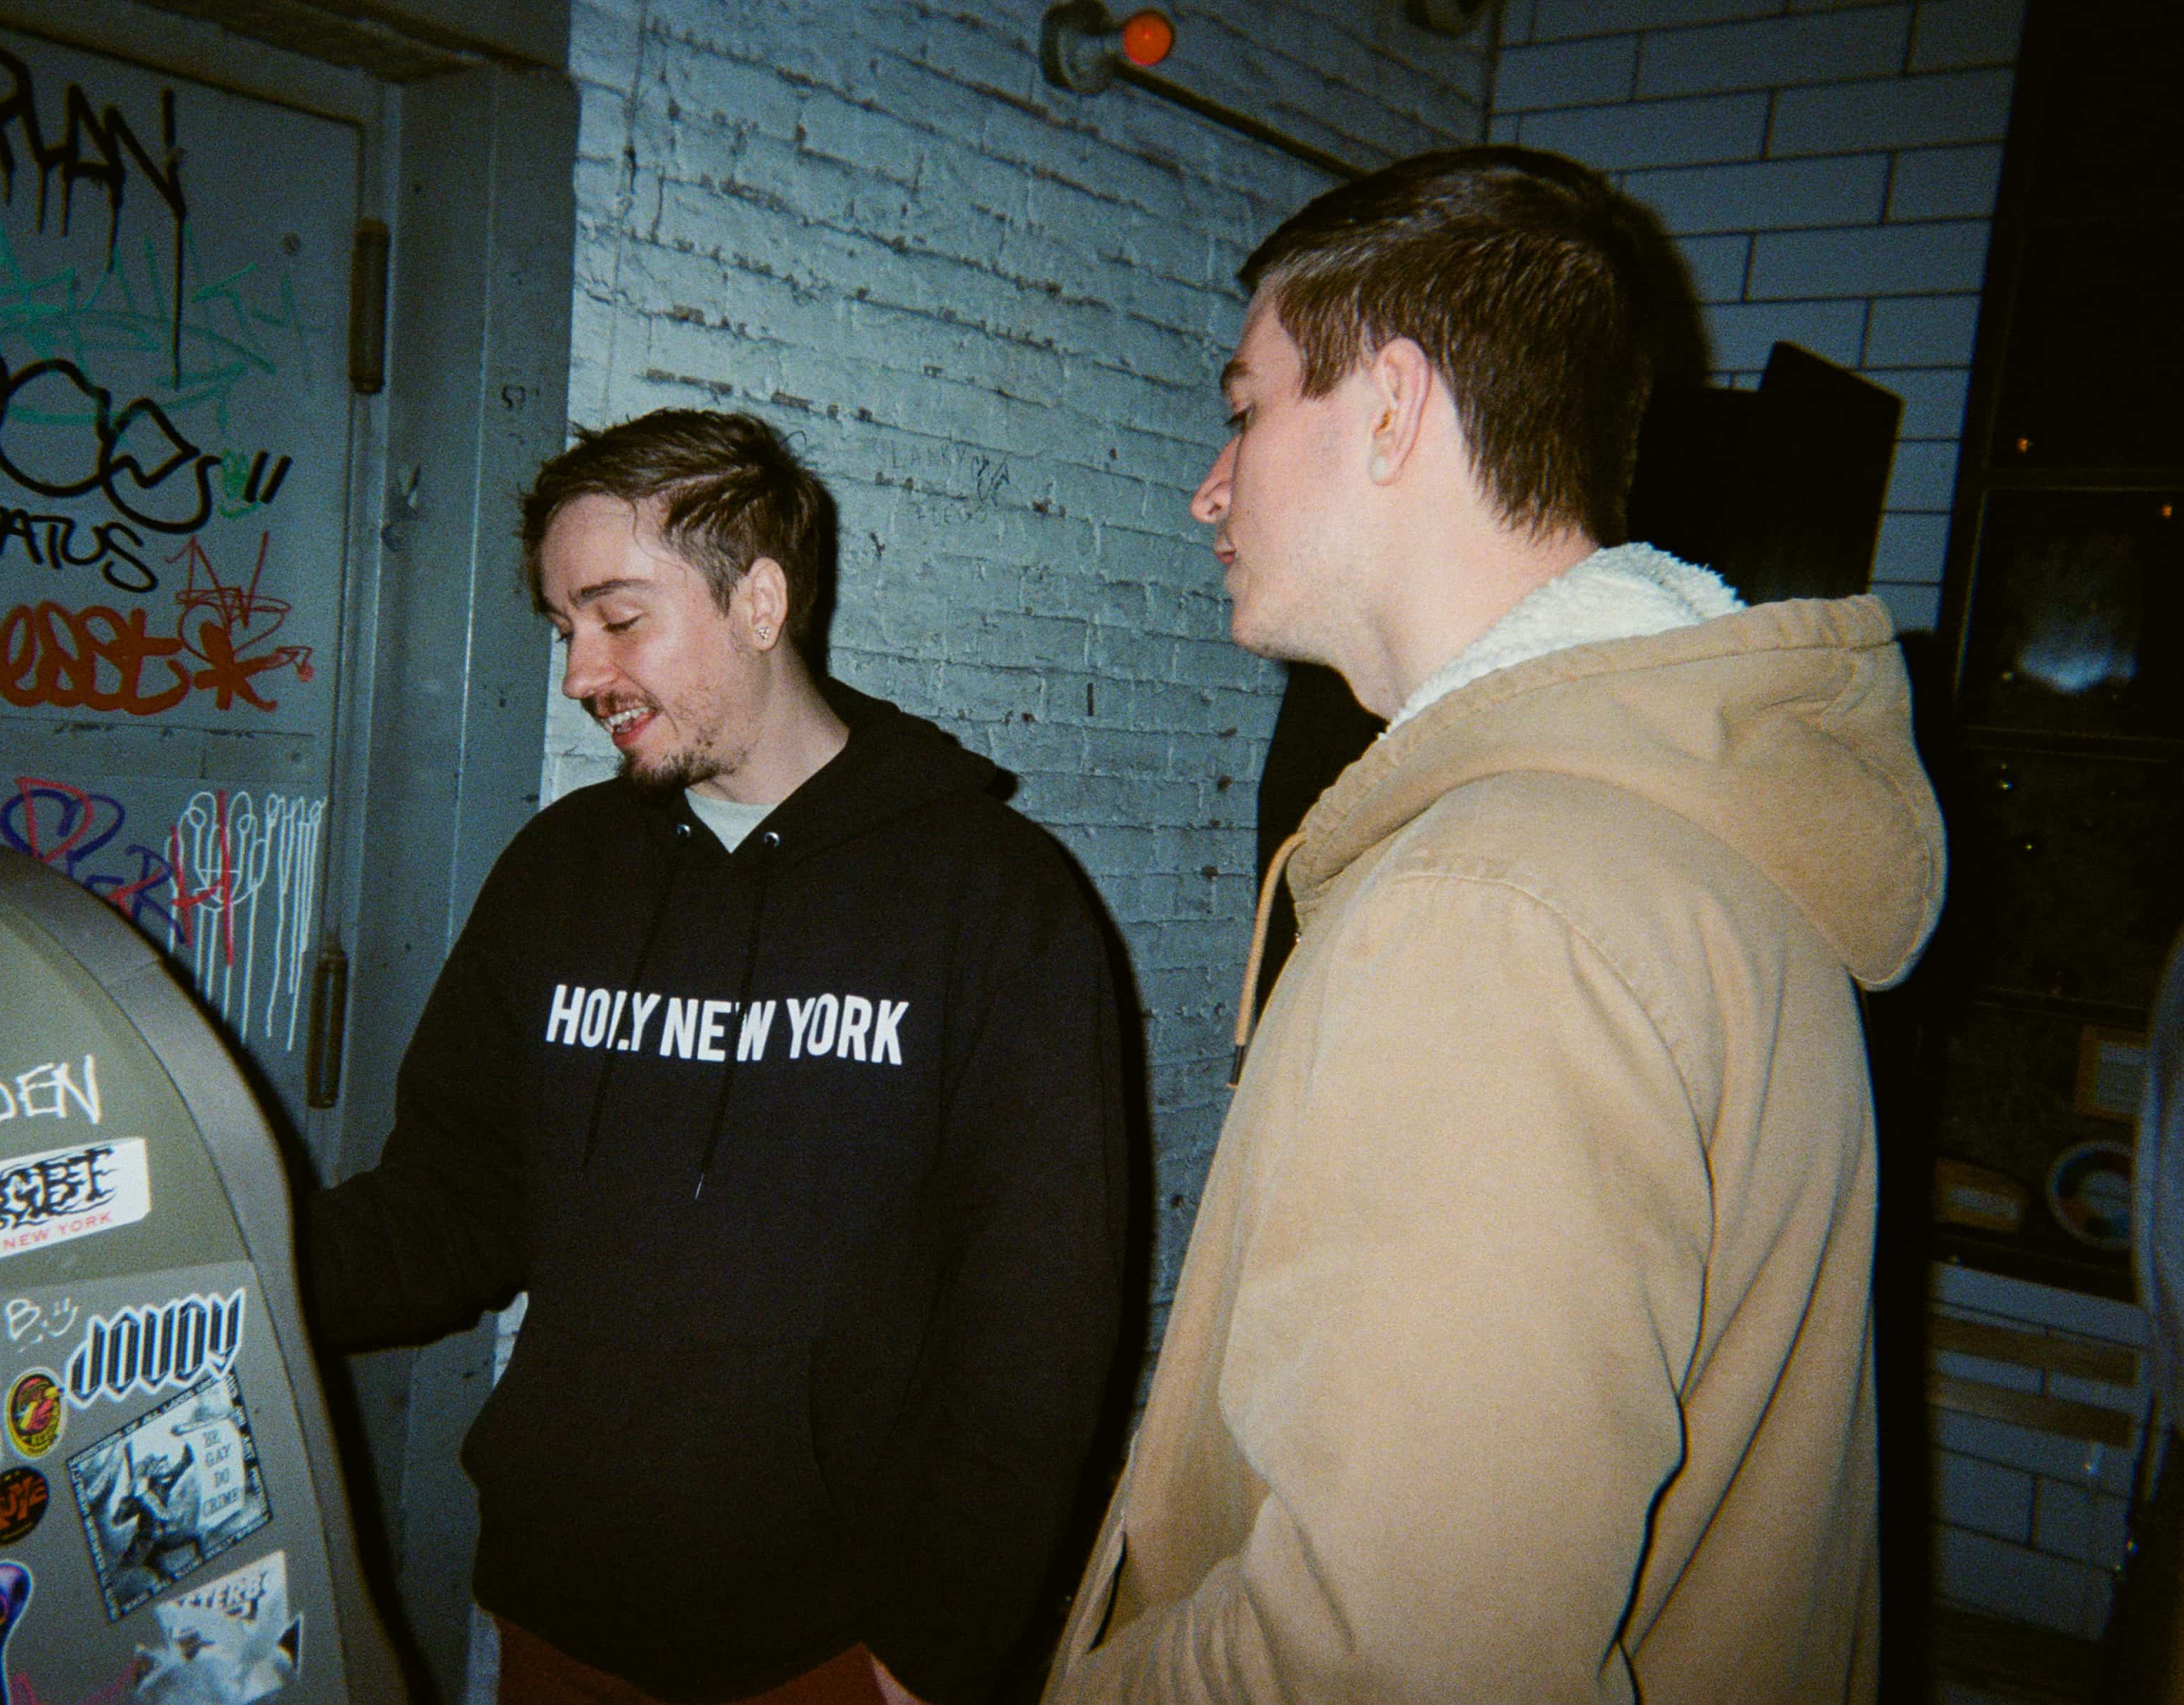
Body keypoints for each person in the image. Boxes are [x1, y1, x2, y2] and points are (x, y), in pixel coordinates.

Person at [1043, 147, 1945, 1703]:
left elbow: (1387, 1662)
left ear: (1391, 406)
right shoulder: (1672, 831)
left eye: (1245, 407)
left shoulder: (1496, 910)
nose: (1210, 481)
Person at [307, 409, 1127, 1705]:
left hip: (839, 1641)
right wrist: (230, 1281)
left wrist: (945, 1640)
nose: (582, 674)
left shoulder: (994, 898)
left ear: (759, 600)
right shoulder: (561, 873)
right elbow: (457, 1204)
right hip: (560, 1607)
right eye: (564, 628)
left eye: (618, 618)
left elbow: (1041, 1320)